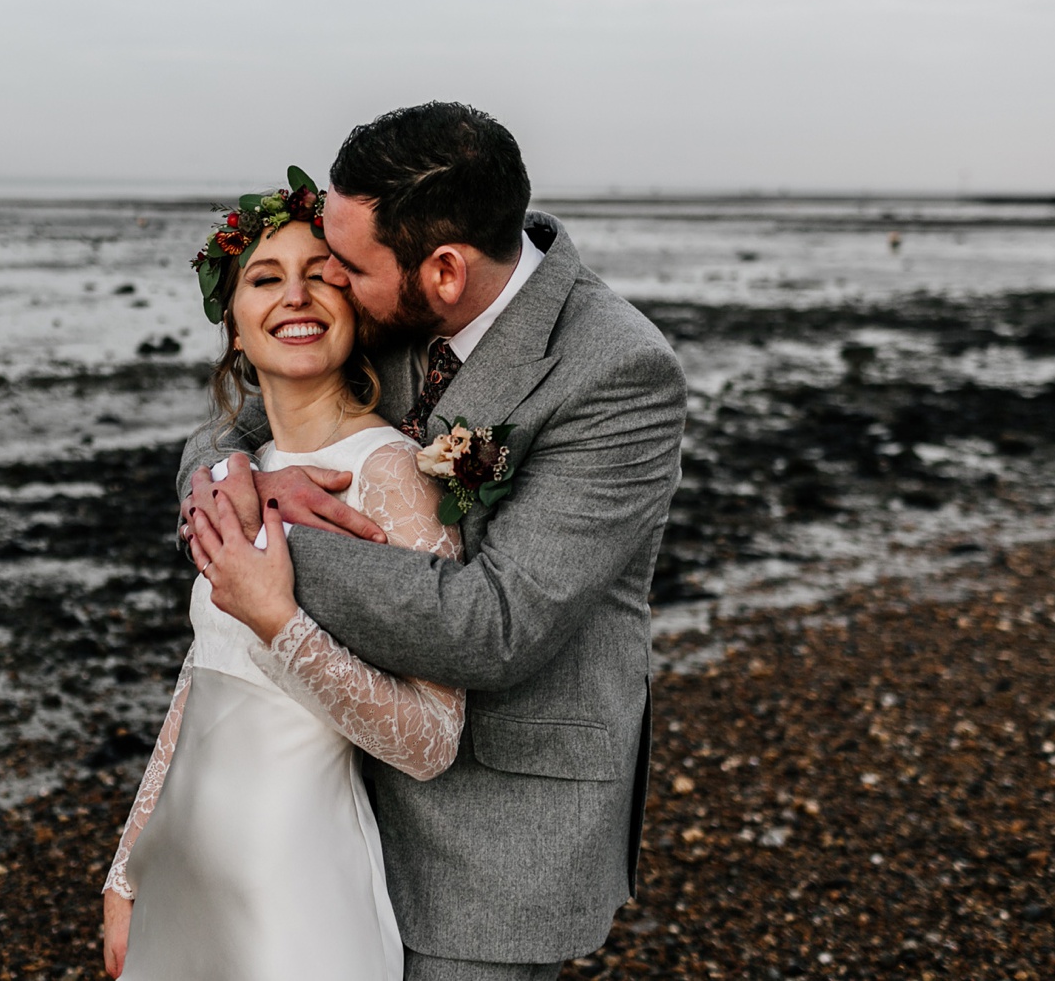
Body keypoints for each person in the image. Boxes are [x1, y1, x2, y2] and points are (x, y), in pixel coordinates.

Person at [182, 102, 688, 980]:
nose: (328, 283)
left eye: (344, 264)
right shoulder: (396, 298)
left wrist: (262, 548)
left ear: (444, 271)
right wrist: (232, 481)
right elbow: (235, 427)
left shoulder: (618, 373)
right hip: (331, 785)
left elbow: (496, 624)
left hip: (492, 827)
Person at [101, 170, 467, 981]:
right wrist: (128, 869)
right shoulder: (243, 472)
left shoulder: (389, 475)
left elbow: (432, 741)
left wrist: (282, 624)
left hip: (298, 889)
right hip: (188, 869)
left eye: (323, 277)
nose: (296, 297)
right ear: (233, 325)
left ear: (355, 312)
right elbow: (202, 681)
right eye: (266, 279)